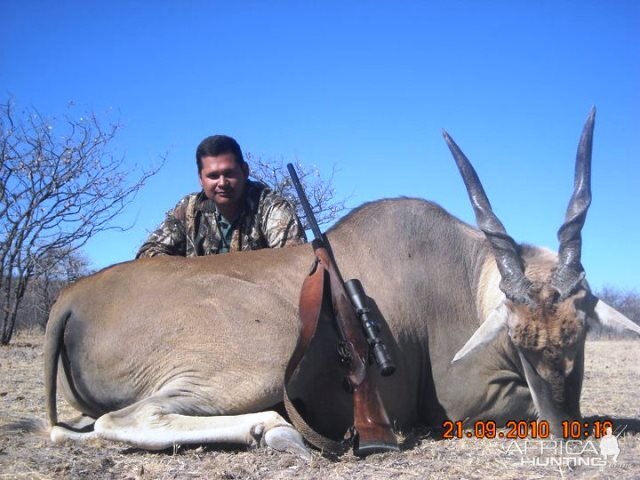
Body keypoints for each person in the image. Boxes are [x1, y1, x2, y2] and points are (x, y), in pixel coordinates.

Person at [136, 135, 306, 258]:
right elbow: (147, 254)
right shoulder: (188, 209)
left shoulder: (271, 207)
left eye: (229, 173)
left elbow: (292, 261)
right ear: (200, 179)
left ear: (245, 171)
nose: (222, 183)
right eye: (213, 176)